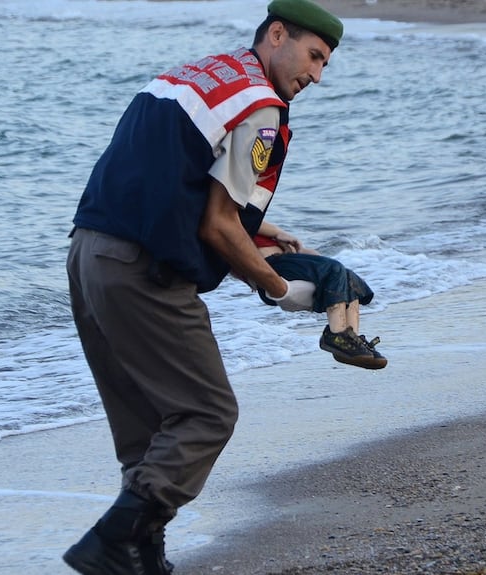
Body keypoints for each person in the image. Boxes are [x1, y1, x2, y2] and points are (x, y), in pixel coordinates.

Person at [62, 1, 354, 573]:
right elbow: (217, 224)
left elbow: (174, 171)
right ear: (277, 34)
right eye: (314, 56)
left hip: (88, 253)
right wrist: (276, 288)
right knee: (206, 414)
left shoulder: (198, 73)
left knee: (146, 430)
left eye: (325, 64)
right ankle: (108, 542)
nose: (317, 76)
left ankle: (142, 560)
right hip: (143, 271)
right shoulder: (263, 109)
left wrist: (265, 230)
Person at [252, 222, 387, 369]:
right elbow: (247, 219)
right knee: (334, 268)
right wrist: (278, 232)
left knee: (347, 276)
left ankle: (351, 340)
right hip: (271, 265)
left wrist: (301, 249)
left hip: (288, 262)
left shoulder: (259, 227)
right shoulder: (241, 221)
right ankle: (336, 335)